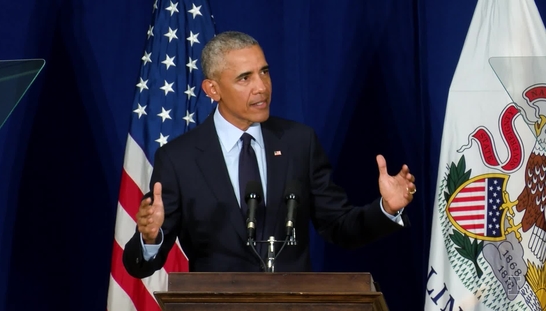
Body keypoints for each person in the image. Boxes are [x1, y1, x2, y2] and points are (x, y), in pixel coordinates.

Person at [123, 31, 416, 277]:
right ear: (212, 89)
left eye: (264, 72)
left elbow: (339, 226)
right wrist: (150, 239)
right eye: (244, 78)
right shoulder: (179, 159)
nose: (261, 87)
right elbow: (142, 266)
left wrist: (386, 209)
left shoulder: (299, 142)